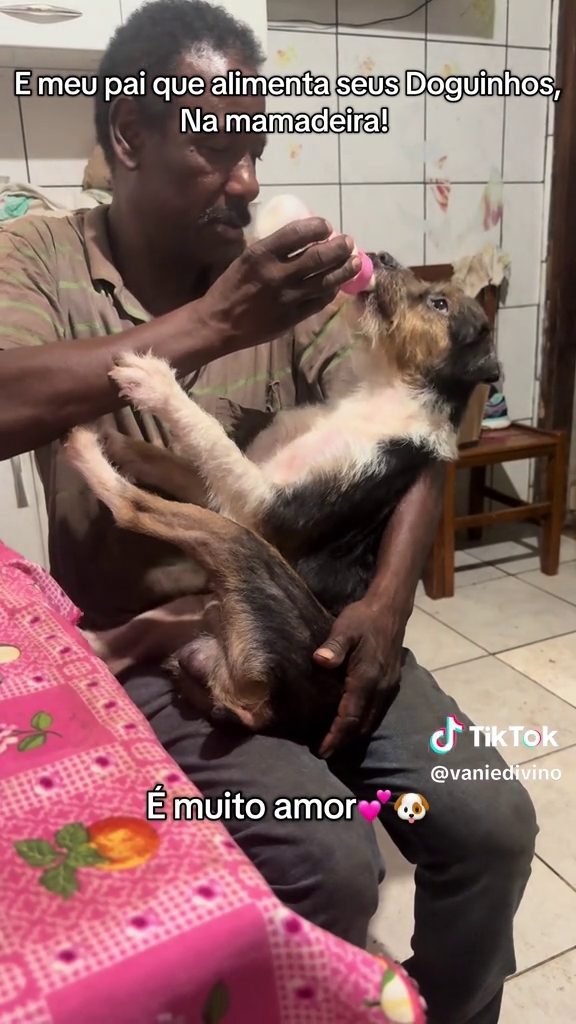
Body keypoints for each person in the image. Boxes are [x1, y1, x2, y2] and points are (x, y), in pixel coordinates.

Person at [0, 2, 537, 1021]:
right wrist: (211, 324)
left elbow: (414, 430)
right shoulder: (40, 258)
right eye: (217, 147)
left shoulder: (291, 279)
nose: (246, 181)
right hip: (158, 645)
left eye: (255, 149)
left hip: (322, 620)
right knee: (329, 861)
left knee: (492, 823)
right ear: (130, 135)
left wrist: (388, 605)